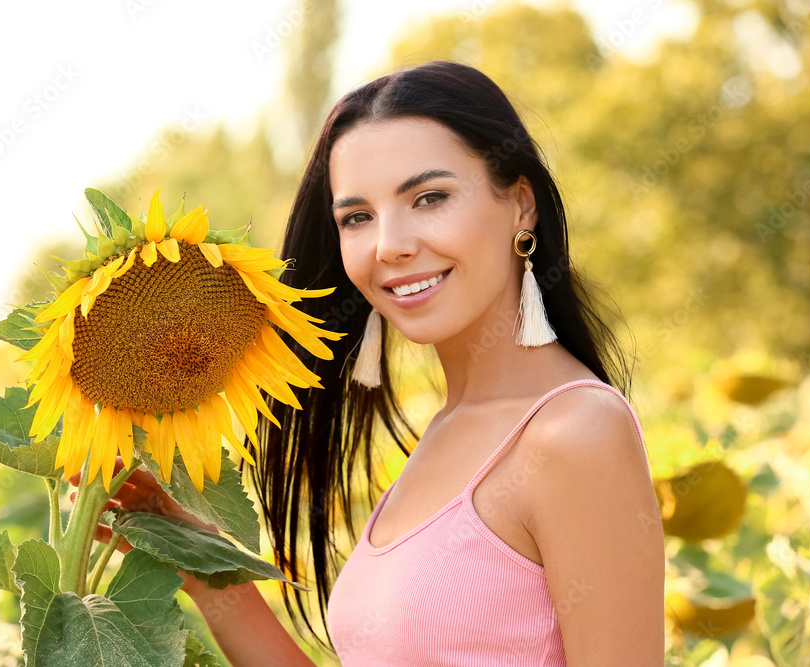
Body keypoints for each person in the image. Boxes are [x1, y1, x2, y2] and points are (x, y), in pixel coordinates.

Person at [72, 60, 665, 665]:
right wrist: (202, 567)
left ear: (520, 205)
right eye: (357, 217)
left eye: (429, 198)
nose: (390, 245)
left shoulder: (575, 434)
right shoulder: (447, 430)